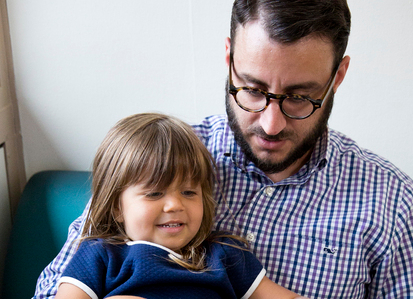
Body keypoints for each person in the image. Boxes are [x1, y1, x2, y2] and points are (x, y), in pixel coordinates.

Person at [35, 0, 413, 298]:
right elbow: (54, 288)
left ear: (337, 76)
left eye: (300, 97)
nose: (271, 123)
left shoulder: (390, 200)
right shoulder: (158, 160)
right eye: (252, 90)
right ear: (229, 58)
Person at [53, 113, 307, 299]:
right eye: (154, 193)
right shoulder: (101, 254)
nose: (175, 205)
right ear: (117, 206)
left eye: (188, 192)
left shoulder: (225, 254)